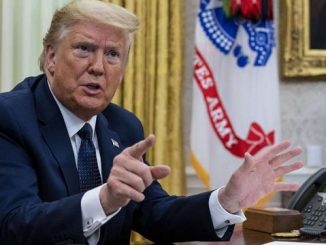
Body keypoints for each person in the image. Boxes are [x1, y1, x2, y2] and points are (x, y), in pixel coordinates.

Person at [0, 0, 303, 244]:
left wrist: (225, 200)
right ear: (50, 56)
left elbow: (154, 214)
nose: (98, 67)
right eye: (84, 49)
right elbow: (14, 225)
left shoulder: (124, 125)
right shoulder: (11, 118)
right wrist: (104, 200)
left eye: (113, 54)